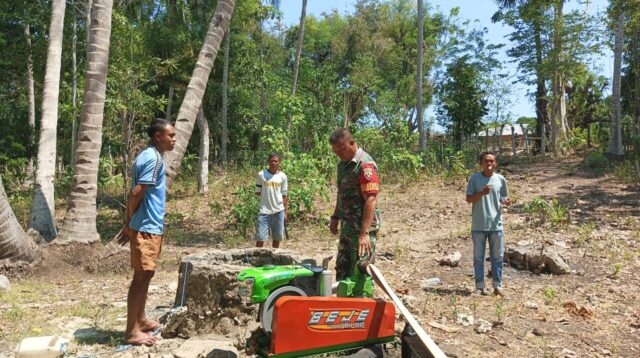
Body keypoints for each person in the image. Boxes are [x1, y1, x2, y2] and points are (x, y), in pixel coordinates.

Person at [117, 118, 176, 346]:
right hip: (146, 228)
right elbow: (136, 192)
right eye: (170, 135)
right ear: (158, 136)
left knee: (147, 274)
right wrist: (129, 221)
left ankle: (140, 320)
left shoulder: (150, 156)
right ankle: (132, 332)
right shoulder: (153, 159)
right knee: (141, 278)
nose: (173, 140)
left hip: (148, 226)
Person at [329, 128, 380, 296]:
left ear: (352, 143)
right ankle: (342, 306)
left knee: (360, 269)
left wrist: (364, 233)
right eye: (336, 151)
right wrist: (336, 216)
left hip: (362, 228)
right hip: (347, 226)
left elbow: (371, 199)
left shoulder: (365, 164)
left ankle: (361, 306)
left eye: (342, 149)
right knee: (342, 267)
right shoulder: (342, 165)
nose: (339, 154)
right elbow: (341, 193)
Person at [465, 151, 511, 296]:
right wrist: (481, 194)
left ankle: (497, 286)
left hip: (496, 225)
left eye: (492, 161)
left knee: (497, 257)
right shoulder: (475, 179)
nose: (489, 164)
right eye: (486, 161)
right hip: (479, 225)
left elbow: (503, 197)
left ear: (495, 163)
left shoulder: (500, 179)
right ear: (481, 163)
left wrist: (506, 202)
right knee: (478, 258)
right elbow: (469, 199)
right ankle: (479, 287)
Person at [255, 153, 288, 248]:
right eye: (272, 161)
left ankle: (274, 259)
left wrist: (285, 212)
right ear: (268, 162)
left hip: (278, 211)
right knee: (260, 238)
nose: (274, 163)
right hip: (264, 211)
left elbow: (284, 195)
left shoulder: (283, 176)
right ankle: (257, 259)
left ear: (279, 162)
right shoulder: (261, 175)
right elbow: (258, 192)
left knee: (277, 238)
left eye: (276, 161)